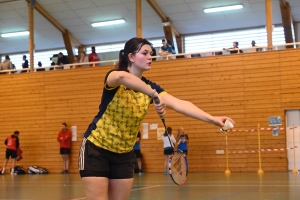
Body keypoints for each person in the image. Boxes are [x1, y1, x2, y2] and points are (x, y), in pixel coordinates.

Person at [78, 37, 234, 200]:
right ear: (130, 57)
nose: (150, 57)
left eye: (151, 54)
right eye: (144, 53)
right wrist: (152, 94)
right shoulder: (115, 77)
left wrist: (212, 119)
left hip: (124, 155)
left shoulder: (152, 88)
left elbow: (180, 104)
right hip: (96, 148)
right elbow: (124, 78)